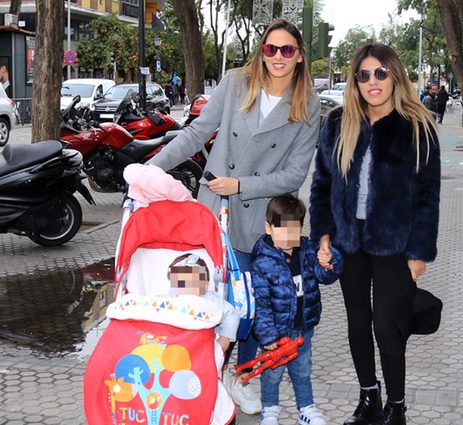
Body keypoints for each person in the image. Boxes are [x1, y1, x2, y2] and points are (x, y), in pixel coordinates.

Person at [147, 18, 320, 416]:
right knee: (205, 293)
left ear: (298, 56)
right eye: (271, 49)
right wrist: (153, 168)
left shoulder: (306, 101)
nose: (278, 57)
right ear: (262, 50)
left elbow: (295, 175)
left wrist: (241, 184)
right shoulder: (235, 82)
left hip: (263, 218)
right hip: (216, 209)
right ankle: (197, 371)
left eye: (287, 50)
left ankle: (239, 375)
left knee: (252, 306)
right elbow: (196, 133)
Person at [310, 43, 440, 425]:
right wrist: (323, 235)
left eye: (380, 73)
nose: (372, 81)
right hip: (349, 238)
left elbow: (428, 195)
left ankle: (396, 406)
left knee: (386, 323)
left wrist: (419, 252)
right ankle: (369, 397)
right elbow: (321, 184)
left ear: (394, 76)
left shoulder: (417, 125)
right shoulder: (337, 123)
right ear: (355, 81)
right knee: (356, 320)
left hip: (394, 241)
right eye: (363, 74)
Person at [250, 194, 343, 425]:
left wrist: (330, 260)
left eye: (295, 229)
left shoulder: (308, 251)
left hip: (304, 329)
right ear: (269, 228)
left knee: (302, 372)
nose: (289, 236)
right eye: (282, 230)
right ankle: (270, 410)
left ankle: (306, 408)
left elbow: (325, 276)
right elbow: (260, 303)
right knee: (272, 374)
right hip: (276, 335)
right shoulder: (262, 262)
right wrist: (267, 335)